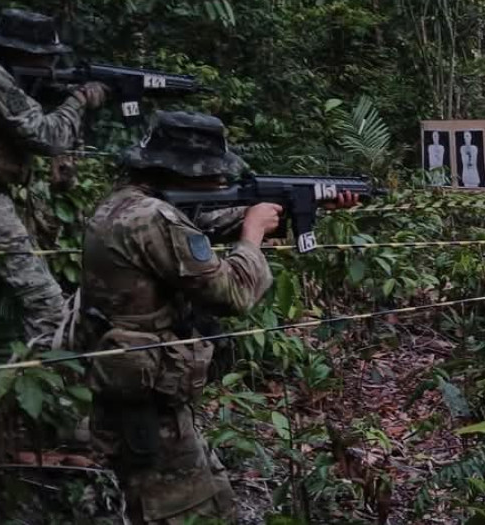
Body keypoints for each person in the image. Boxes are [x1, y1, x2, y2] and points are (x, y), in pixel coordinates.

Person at [78, 111, 355, 523]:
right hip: (146, 393)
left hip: (139, 380)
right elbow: (232, 293)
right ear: (186, 171)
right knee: (188, 511)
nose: (221, 183)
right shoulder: (153, 218)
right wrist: (253, 233)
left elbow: (201, 226)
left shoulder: (130, 204)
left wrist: (303, 204)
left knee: (209, 499)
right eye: (214, 176)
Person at [0, 8, 108, 344]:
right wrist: (78, 100)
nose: (50, 67)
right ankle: (45, 376)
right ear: (23, 53)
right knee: (45, 302)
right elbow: (47, 136)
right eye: (45, 59)